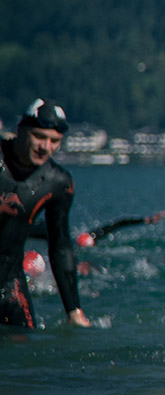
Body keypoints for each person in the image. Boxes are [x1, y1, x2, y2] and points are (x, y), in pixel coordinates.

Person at [0, 99, 92, 328]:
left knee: (26, 350)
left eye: (55, 141)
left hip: (9, 283)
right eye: (39, 137)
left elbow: (60, 246)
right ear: (21, 131)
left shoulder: (57, 182)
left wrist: (74, 310)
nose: (46, 147)